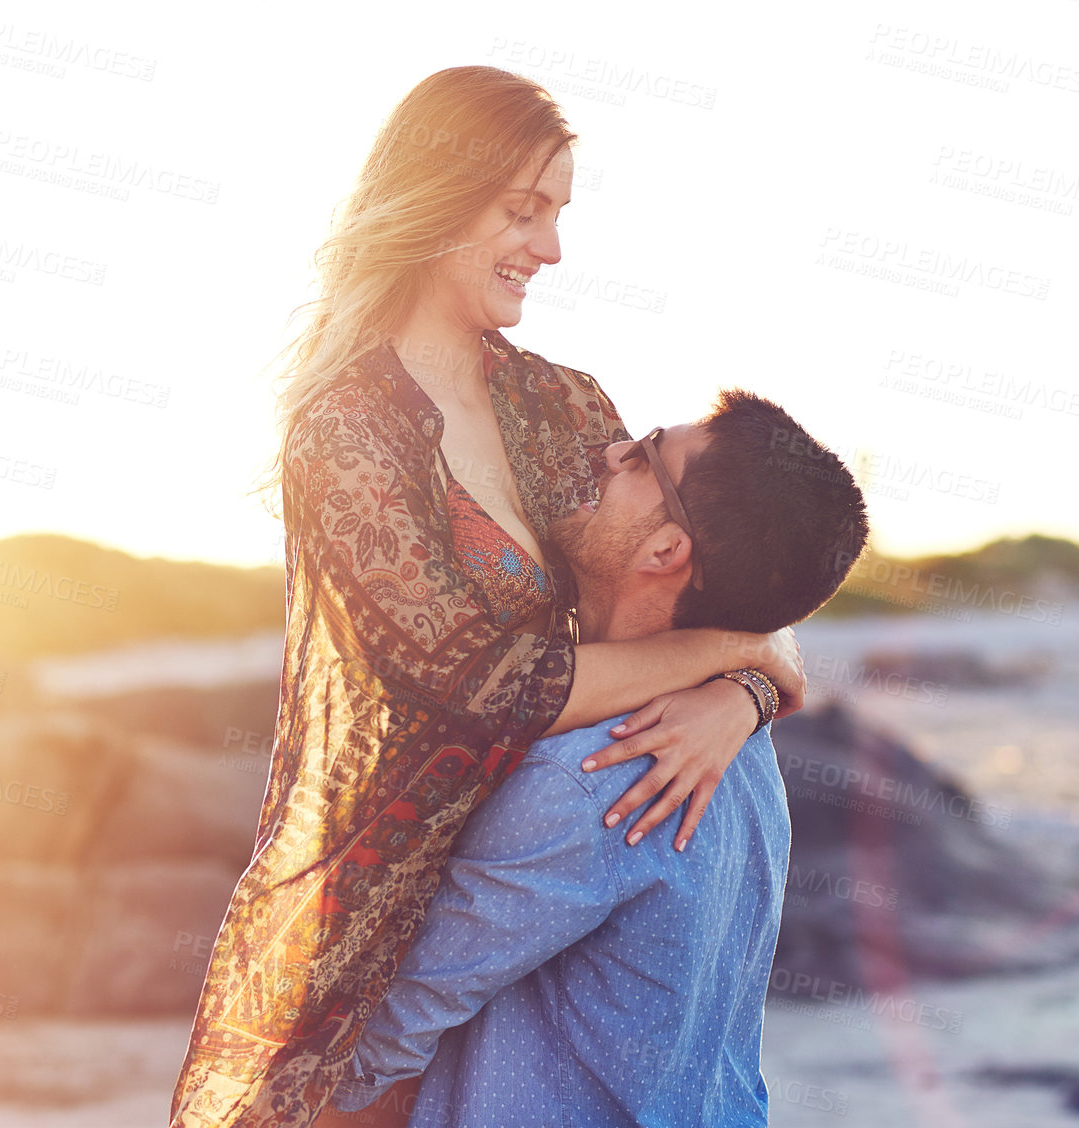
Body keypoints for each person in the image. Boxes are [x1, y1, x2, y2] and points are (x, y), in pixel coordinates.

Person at [171, 68, 807, 1128]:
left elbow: (714, 569)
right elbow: (479, 688)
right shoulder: (347, 434)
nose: (548, 248)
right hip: (394, 912)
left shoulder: (554, 401)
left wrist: (739, 689)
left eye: (557, 213)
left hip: (557, 863)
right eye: (522, 209)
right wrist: (747, 663)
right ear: (433, 197)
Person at [321, 391, 870, 1127]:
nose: (609, 453)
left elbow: (380, 1037)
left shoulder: (593, 770)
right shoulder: (742, 742)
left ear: (667, 551)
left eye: (642, 456)